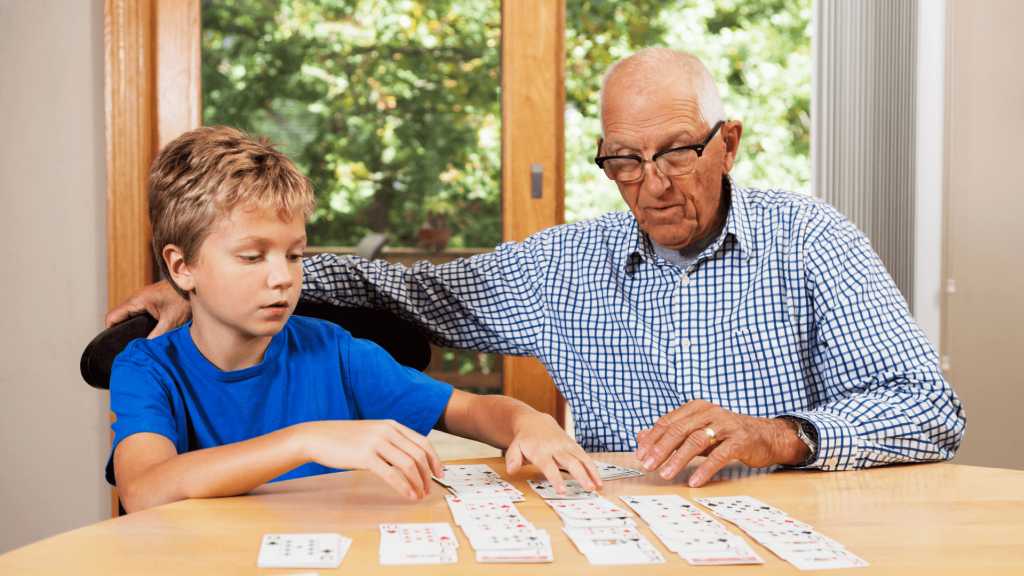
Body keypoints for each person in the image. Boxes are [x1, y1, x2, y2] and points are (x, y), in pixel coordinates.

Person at [109, 49, 965, 490]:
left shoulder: (812, 240)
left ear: (728, 141)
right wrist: (232, 275)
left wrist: (781, 434)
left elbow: (931, 411)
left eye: (676, 153)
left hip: (789, 536)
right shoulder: (565, 263)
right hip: (616, 544)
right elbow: (406, 288)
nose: (652, 185)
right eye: (624, 161)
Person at [107, 126, 600, 513]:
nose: (282, 278)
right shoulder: (147, 368)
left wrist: (529, 421)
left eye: (295, 255)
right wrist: (306, 439)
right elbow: (146, 489)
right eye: (252, 257)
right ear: (181, 267)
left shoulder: (334, 351)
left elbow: (471, 411)